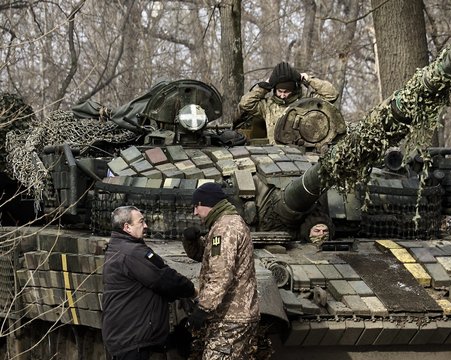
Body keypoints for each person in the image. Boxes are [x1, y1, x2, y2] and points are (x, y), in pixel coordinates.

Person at [102, 205, 197, 360]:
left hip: (127, 338)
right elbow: (165, 278)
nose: (146, 226)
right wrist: (193, 292)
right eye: (141, 222)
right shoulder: (132, 252)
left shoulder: (118, 247)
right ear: (127, 227)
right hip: (135, 341)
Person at [182, 182, 259, 359]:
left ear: (205, 203)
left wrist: (203, 309)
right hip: (236, 314)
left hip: (231, 316)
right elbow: (207, 257)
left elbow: (221, 274)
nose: (195, 213)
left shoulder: (225, 228)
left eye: (196, 207)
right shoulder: (226, 223)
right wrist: (191, 241)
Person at [238, 61, 339, 144]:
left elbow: (332, 94)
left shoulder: (306, 103)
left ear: (293, 89)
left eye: (286, 92)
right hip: (275, 155)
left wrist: (307, 79)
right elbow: (245, 103)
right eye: (279, 91)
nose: (282, 95)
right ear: (274, 89)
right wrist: (265, 86)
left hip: (303, 154)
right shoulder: (267, 106)